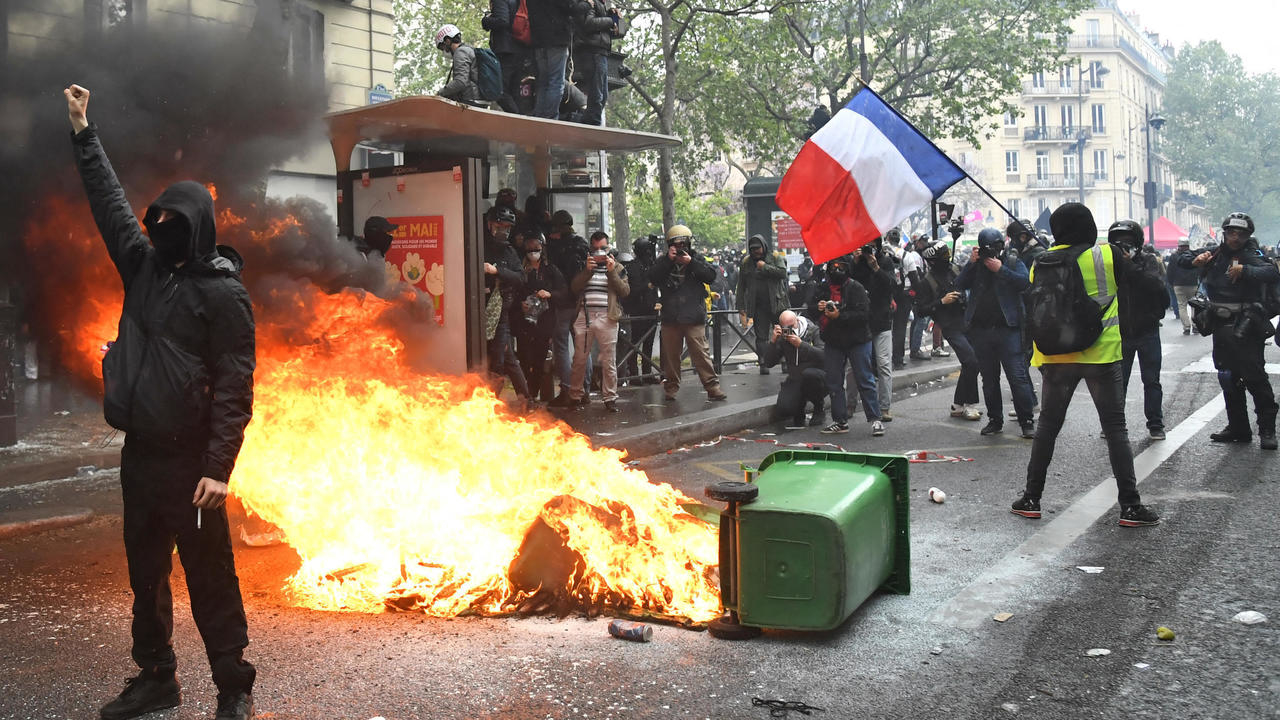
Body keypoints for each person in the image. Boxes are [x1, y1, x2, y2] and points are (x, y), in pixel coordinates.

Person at [65, 84, 257, 720]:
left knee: (210, 581)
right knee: (144, 576)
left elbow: (235, 386)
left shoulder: (224, 296)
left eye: (176, 226)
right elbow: (110, 208)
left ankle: (234, 685)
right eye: (158, 225)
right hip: (141, 456)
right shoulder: (143, 267)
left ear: (198, 230)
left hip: (191, 466)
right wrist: (84, 133)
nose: (162, 233)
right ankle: (156, 678)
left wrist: (218, 467)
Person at [1013, 203, 1161, 527]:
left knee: (1047, 428)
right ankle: (1130, 507)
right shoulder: (1107, 255)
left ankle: (1031, 498)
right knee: (1115, 429)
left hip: (1055, 358)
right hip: (1100, 355)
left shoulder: (1040, 261)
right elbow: (1145, 287)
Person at [1179, 212, 1279, 449]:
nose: (1235, 237)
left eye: (1240, 234)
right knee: (1227, 378)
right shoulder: (1214, 252)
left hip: (1246, 325)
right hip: (1220, 324)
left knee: (1255, 378)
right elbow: (1182, 258)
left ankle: (1266, 429)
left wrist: (1245, 270)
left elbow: (1272, 271)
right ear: (1224, 233)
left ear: (1247, 236)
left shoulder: (1251, 254)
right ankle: (1238, 427)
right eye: (1231, 233)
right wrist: (1196, 260)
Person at [956, 228, 1037, 438]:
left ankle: (1026, 419)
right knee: (989, 379)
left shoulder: (1011, 261)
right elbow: (958, 285)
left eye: (995, 247)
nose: (991, 252)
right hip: (981, 331)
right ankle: (995, 419)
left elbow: (1025, 284)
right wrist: (971, 263)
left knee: (1017, 377)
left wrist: (1000, 270)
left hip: (1008, 329)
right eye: (986, 248)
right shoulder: (976, 265)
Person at [1108, 221, 1172, 440]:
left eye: (1127, 241)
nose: (1123, 246)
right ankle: (1115, 424)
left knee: (1151, 380)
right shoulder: (1110, 264)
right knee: (1118, 381)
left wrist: (1130, 266)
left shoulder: (1148, 261)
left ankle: (1155, 424)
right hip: (1121, 332)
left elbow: (1156, 286)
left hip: (1147, 330)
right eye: (1118, 242)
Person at [650, 225, 727, 402]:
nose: (680, 247)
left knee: (701, 353)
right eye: (676, 244)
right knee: (670, 356)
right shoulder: (663, 261)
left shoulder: (697, 258)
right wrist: (669, 261)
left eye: (683, 243)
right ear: (670, 244)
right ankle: (671, 388)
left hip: (693, 316)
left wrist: (690, 262)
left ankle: (712, 387)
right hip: (671, 316)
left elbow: (710, 276)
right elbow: (653, 278)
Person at [808, 255, 884, 437]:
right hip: (834, 341)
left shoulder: (856, 288)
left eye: (841, 267)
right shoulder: (823, 288)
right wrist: (818, 307)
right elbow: (809, 308)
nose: (837, 271)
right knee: (834, 381)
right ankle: (840, 421)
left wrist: (839, 315)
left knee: (864, 379)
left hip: (857, 340)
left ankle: (876, 419)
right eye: (833, 268)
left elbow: (863, 315)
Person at [912, 242, 982, 421]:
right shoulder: (925, 282)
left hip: (967, 320)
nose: (947, 259)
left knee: (970, 364)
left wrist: (973, 262)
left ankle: (958, 404)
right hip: (950, 326)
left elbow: (969, 278)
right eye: (943, 257)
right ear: (934, 261)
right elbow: (921, 310)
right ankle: (970, 404)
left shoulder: (956, 269)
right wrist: (941, 302)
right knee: (971, 361)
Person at [567, 231, 629, 411]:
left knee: (608, 360)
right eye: (595, 249)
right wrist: (587, 270)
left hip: (607, 317)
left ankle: (610, 398)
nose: (599, 253)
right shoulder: (585, 266)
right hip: (584, 316)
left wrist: (611, 272)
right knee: (579, 358)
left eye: (603, 248)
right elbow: (574, 287)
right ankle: (575, 395)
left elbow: (625, 291)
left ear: (609, 248)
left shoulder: (617, 267)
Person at [483, 206, 535, 408]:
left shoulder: (509, 251)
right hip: (476, 312)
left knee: (500, 357)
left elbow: (520, 278)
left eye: (507, 227)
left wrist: (496, 271)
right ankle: (525, 399)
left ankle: (493, 403)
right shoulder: (478, 245)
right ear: (490, 224)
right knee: (505, 357)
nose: (503, 230)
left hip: (501, 313)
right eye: (500, 225)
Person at [513, 232, 567, 402]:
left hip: (545, 321)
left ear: (542, 249)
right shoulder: (520, 270)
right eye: (529, 249)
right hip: (524, 322)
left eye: (536, 248)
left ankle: (533, 394)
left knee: (539, 360)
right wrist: (520, 303)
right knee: (524, 358)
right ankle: (524, 393)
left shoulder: (551, 270)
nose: (532, 252)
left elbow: (564, 292)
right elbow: (512, 292)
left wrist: (549, 294)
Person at [849, 238, 896, 420]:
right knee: (852, 367)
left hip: (882, 321)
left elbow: (892, 285)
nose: (869, 251)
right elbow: (845, 284)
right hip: (860, 322)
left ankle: (885, 407)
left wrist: (876, 267)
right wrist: (854, 262)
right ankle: (850, 405)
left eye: (872, 247)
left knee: (884, 365)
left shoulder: (885, 261)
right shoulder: (856, 263)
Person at [545, 209, 588, 405]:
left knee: (561, 345)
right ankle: (584, 389)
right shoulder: (582, 245)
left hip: (562, 303)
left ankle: (567, 390)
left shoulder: (555, 247)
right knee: (582, 347)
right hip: (581, 301)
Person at [761, 310, 826, 427]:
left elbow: (823, 356)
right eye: (786, 327)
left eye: (791, 326)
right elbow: (769, 363)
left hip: (816, 375)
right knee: (784, 409)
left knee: (809, 375)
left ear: (797, 320)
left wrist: (801, 345)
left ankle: (819, 407)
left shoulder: (813, 330)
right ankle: (798, 409)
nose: (789, 330)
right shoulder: (783, 337)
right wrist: (773, 341)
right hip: (795, 377)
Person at [735, 234, 789, 375]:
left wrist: (765, 267)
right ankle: (763, 363)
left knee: (783, 332)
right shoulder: (746, 262)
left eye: (757, 248)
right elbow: (741, 286)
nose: (755, 252)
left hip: (777, 303)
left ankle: (785, 361)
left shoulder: (775, 257)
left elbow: (783, 273)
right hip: (758, 306)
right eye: (752, 249)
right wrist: (740, 305)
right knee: (761, 337)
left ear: (763, 246)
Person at [573, 0, 623, 125]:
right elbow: (589, 24)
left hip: (602, 51)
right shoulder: (590, 3)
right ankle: (592, 121)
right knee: (597, 91)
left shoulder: (604, 7)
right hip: (592, 50)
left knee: (602, 93)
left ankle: (589, 119)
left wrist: (618, 19)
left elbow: (620, 32)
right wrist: (611, 21)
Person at [620, 235, 659, 383]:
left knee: (648, 344)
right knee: (635, 344)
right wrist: (647, 286)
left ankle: (648, 373)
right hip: (638, 310)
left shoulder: (649, 265)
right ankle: (634, 375)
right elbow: (633, 290)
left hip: (651, 309)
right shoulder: (633, 267)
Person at [528, 0, 573, 119]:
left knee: (542, 82)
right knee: (556, 81)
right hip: (556, 38)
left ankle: (539, 117)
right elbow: (570, 6)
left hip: (538, 40)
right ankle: (550, 119)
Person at [482, 1, 528, 113]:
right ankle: (520, 119)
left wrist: (486, 21)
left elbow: (502, 21)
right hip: (519, 49)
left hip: (506, 51)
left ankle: (518, 119)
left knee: (499, 90)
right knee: (514, 91)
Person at [435, 24, 481, 105]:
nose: (444, 51)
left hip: (471, 99)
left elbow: (460, 82)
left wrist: (440, 93)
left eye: (443, 47)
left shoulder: (460, 52)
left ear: (447, 41)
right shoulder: (469, 49)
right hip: (478, 97)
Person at [1167, 237, 1200, 335]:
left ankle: (1186, 327)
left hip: (1178, 284)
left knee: (1182, 306)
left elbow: (1170, 271)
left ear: (1179, 246)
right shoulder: (1193, 255)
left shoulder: (1174, 256)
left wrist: (1171, 282)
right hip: (1192, 283)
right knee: (1195, 305)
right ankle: (1195, 326)